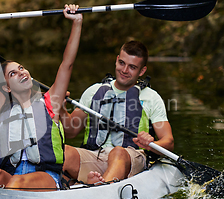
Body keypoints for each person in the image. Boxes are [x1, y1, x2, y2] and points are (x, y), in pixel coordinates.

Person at [0, 4, 83, 191]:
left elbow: (67, 64)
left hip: (46, 177)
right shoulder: (2, 109)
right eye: (13, 74)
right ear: (6, 87)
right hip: (12, 177)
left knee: (16, 183)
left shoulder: (50, 103)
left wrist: (77, 23)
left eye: (22, 68)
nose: (21, 73)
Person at [61, 41, 174, 185]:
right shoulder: (94, 91)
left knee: (118, 152)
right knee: (63, 152)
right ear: (116, 60)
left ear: (142, 71)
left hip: (130, 156)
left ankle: (99, 190)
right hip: (95, 155)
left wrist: (150, 144)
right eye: (122, 63)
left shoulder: (151, 97)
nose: (125, 70)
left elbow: (168, 142)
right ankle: (76, 186)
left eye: (132, 67)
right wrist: (61, 109)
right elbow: (71, 132)